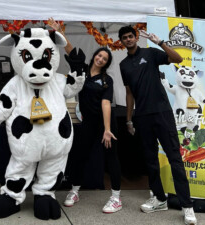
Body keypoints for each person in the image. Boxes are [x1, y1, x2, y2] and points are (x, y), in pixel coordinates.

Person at [118, 25, 197, 225]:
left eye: (130, 36)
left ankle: (187, 207)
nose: (128, 39)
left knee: (174, 159)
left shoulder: (151, 53)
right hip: (142, 116)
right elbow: (129, 93)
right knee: (151, 160)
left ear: (136, 37)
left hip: (162, 113)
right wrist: (128, 119)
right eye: (124, 38)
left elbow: (178, 59)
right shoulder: (124, 64)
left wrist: (160, 42)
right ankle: (160, 199)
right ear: (121, 42)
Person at [48, 18, 122, 213]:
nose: (100, 59)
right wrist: (59, 31)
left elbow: (106, 103)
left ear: (106, 63)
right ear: (95, 56)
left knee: (111, 158)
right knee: (79, 156)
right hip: (87, 122)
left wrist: (107, 130)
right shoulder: (82, 71)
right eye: (99, 55)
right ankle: (75, 190)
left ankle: (116, 197)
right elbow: (71, 51)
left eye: (105, 59)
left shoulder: (107, 79)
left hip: (106, 124)